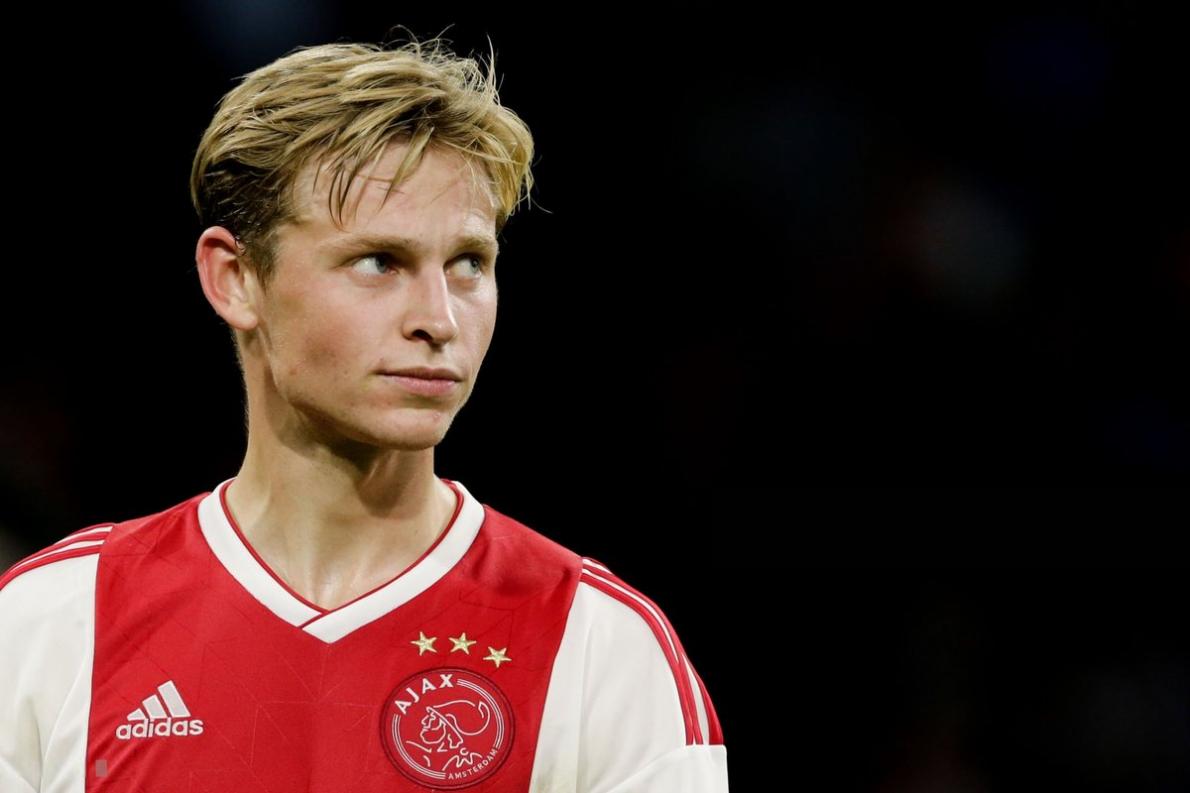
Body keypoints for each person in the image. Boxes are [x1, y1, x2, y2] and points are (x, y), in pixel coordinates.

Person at [0, 35, 727, 792]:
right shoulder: (52, 622)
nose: (439, 319)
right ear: (236, 279)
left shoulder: (598, 646)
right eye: (380, 262)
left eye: (469, 263)